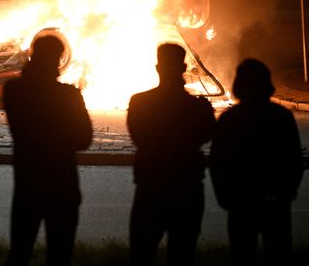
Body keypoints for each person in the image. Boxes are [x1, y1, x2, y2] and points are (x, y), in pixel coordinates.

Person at [3, 34, 93, 266]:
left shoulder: (14, 91)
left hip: (28, 184)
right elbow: (84, 139)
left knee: (20, 252)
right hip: (62, 185)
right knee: (60, 255)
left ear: (32, 55)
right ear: (59, 59)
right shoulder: (69, 95)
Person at [127, 43, 215, 266]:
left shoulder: (140, 102)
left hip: (151, 188)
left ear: (158, 68)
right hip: (187, 189)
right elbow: (207, 135)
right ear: (183, 67)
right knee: (183, 254)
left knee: (142, 253)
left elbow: (138, 136)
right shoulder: (198, 107)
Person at [210, 59, 303, 266]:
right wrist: (287, 193)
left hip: (241, 203)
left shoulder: (229, 119)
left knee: (243, 256)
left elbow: (218, 164)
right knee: (278, 254)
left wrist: (226, 198)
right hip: (274, 202)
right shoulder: (282, 117)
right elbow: (294, 160)